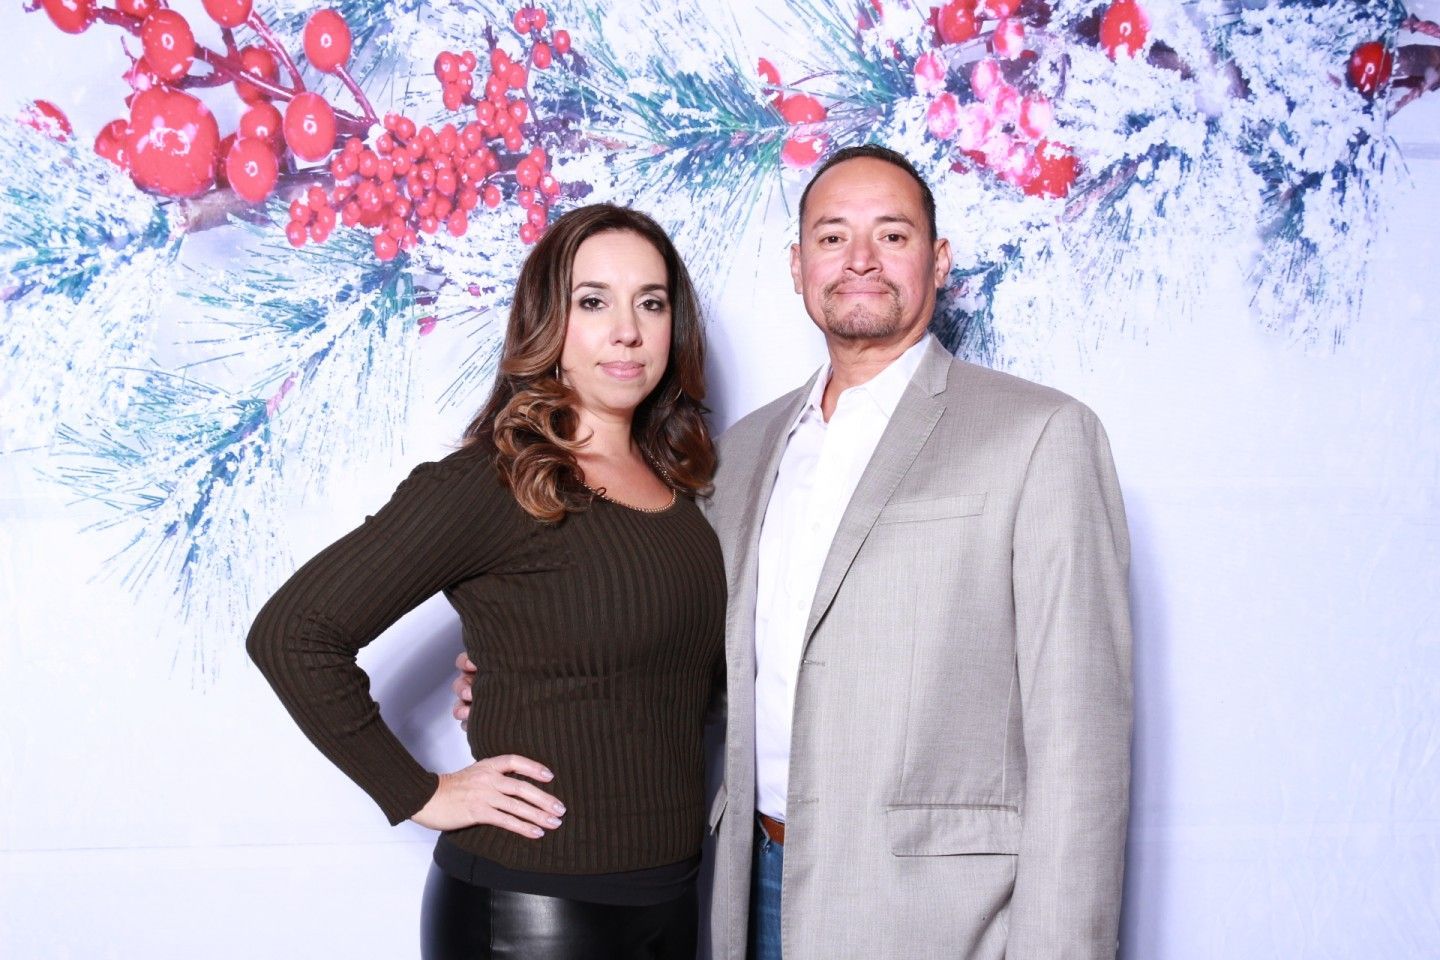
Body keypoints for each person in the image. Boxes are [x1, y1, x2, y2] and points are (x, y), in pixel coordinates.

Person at [458, 144, 1133, 960]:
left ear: (939, 260)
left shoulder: (1039, 435)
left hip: (939, 911)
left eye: (892, 235)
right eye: (831, 236)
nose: (859, 261)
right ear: (796, 265)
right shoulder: (740, 454)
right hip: (747, 884)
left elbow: (1082, 740)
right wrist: (536, 665)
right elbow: (703, 662)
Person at [247, 203, 727, 960]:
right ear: (549, 324)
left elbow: (676, 681)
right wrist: (423, 793)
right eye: (593, 301)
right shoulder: (494, 482)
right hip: (533, 910)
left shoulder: (683, 490)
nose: (628, 329)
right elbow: (292, 634)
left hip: (673, 898)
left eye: (652, 302)